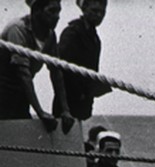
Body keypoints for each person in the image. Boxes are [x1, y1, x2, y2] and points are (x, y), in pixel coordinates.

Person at [0, 0, 74, 128]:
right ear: (36, 12)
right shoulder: (17, 29)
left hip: (20, 93)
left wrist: (65, 110)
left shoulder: (50, 35)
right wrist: (40, 112)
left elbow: (56, 73)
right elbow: (23, 74)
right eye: (52, 11)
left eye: (58, 11)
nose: (57, 16)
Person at [56, 0, 109, 121]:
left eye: (102, 12)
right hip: (69, 100)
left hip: (83, 100)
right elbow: (61, 69)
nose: (99, 16)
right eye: (95, 11)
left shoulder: (94, 38)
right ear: (84, 8)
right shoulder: (72, 33)